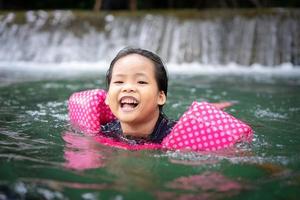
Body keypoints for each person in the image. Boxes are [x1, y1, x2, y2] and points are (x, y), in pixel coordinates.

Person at [101, 47, 176, 145]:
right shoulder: (102, 132)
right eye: (119, 81)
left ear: (160, 97)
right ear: (107, 97)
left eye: (141, 82)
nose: (128, 88)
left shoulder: (176, 136)